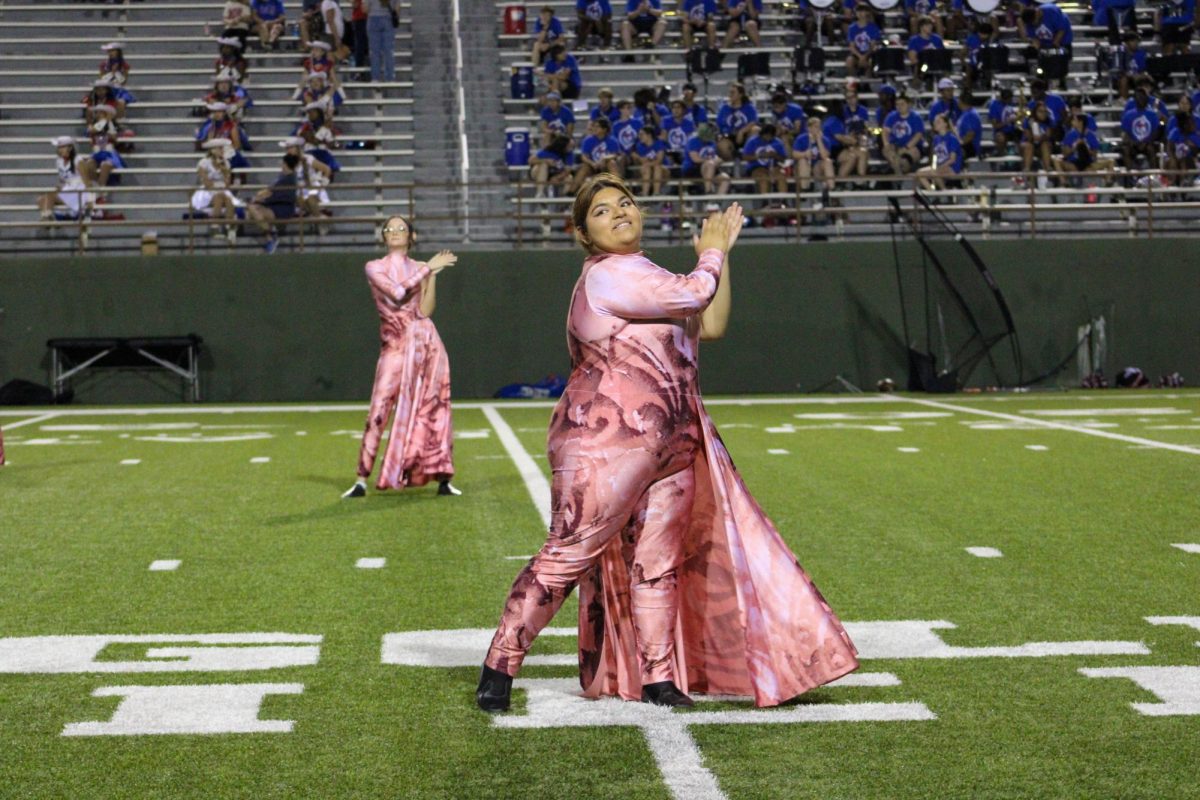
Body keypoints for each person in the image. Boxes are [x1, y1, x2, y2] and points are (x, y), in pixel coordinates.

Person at [476, 175, 858, 712]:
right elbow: (697, 291)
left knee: (659, 562)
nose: (619, 212)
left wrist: (721, 257)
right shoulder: (608, 276)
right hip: (605, 443)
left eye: (625, 203)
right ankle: (500, 663)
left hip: (673, 439)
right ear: (584, 233)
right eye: (603, 210)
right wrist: (711, 255)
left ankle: (659, 678)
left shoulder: (652, 276)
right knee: (567, 554)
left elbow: (713, 321)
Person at [343, 216, 459, 498]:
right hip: (395, 347)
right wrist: (428, 269)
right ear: (383, 236)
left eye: (401, 229)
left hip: (426, 343)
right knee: (379, 408)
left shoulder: (421, 268)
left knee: (435, 408)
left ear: (412, 236)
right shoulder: (374, 267)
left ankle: (443, 476)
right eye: (390, 229)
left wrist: (429, 276)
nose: (395, 232)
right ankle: (361, 478)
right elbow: (396, 293)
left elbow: (426, 310)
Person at [246, 153, 300, 253]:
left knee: (252, 209)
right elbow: (269, 192)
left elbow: (271, 193)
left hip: (283, 209)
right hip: (277, 205)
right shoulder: (286, 177)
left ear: (285, 164)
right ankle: (271, 235)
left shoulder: (287, 179)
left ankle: (271, 237)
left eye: (283, 163)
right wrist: (259, 198)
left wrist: (258, 199)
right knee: (252, 211)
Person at [191, 139, 240, 242]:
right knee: (219, 197)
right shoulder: (203, 163)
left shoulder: (226, 163)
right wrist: (218, 186)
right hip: (207, 190)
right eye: (220, 148)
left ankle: (230, 229)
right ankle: (215, 228)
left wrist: (224, 170)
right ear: (212, 150)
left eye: (222, 148)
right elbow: (206, 182)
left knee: (228, 199)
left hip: (222, 189)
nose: (222, 150)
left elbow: (227, 183)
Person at [38, 137, 96, 222]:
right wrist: (60, 187)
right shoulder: (59, 161)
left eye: (62, 147)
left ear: (70, 148)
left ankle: (47, 218)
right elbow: (63, 180)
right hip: (67, 190)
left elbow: (87, 182)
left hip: (78, 192)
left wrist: (90, 201)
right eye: (59, 147)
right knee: (41, 199)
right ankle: (47, 217)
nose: (59, 150)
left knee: (49, 196)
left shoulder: (78, 160)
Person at [917, 113, 964, 191]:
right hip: (939, 167)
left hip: (952, 168)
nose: (935, 124)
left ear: (945, 124)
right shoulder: (936, 139)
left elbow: (952, 159)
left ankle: (943, 191)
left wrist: (938, 167)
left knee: (934, 172)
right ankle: (932, 192)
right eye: (935, 122)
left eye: (938, 122)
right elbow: (935, 156)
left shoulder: (952, 138)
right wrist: (934, 166)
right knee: (920, 173)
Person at [683, 122, 730, 198]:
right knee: (710, 164)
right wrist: (710, 161)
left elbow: (715, 156)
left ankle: (716, 202)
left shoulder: (712, 142)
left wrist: (718, 160)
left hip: (710, 169)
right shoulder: (693, 140)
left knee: (725, 178)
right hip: (693, 169)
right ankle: (708, 191)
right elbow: (695, 159)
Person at [883, 93, 925, 175]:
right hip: (895, 145)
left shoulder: (916, 117)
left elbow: (918, 135)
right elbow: (885, 131)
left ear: (908, 104)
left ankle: (900, 177)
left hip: (912, 146)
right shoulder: (891, 116)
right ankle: (898, 176)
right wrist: (886, 144)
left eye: (902, 104)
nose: (899, 107)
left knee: (904, 161)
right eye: (897, 104)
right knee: (890, 154)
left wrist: (906, 147)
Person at [715, 81, 758, 161]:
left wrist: (742, 131)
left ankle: (748, 157)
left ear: (740, 95)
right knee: (722, 145)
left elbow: (753, 122)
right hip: (729, 137)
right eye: (729, 92)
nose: (730, 95)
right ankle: (733, 165)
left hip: (746, 136)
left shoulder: (749, 107)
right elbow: (720, 124)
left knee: (756, 130)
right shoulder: (724, 108)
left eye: (733, 92)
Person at [793, 116, 835, 193]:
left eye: (819, 127)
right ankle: (804, 188)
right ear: (809, 128)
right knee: (802, 161)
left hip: (817, 167)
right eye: (816, 127)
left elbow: (825, 156)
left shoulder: (825, 140)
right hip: (803, 166)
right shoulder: (801, 138)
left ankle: (831, 188)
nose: (818, 129)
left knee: (828, 161)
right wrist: (805, 154)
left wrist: (819, 140)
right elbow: (794, 154)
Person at [845, 3, 882, 78]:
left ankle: (868, 82)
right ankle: (853, 81)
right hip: (857, 54)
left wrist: (864, 56)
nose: (861, 14)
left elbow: (873, 45)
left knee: (870, 62)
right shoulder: (852, 28)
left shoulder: (873, 27)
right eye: (859, 11)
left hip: (869, 54)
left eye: (864, 11)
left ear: (868, 13)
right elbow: (852, 46)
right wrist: (860, 56)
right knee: (849, 61)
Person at [367, 0, 399, 83]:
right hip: (388, 18)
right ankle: (390, 77)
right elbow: (397, 6)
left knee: (375, 52)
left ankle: (375, 78)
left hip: (373, 18)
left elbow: (365, 9)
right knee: (388, 51)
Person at [632, 124, 668, 195]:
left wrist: (647, 163)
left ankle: (656, 193)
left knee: (657, 167)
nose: (640, 137)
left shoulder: (659, 143)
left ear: (649, 135)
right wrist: (639, 158)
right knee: (647, 168)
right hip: (647, 171)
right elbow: (640, 161)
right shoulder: (639, 146)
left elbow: (659, 160)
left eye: (642, 134)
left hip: (663, 171)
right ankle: (645, 194)